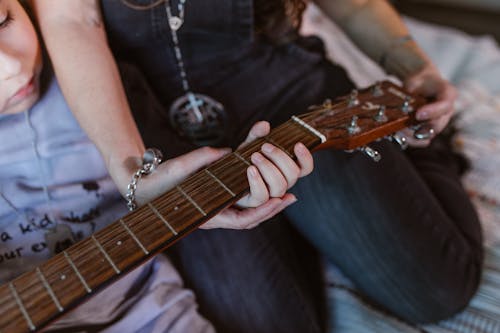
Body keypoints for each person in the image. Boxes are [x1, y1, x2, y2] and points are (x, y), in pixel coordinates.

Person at [31, 0, 483, 330]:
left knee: (439, 290)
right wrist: (132, 172)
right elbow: (73, 19)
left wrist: (412, 68)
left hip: (290, 103)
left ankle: (427, 152)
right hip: (158, 134)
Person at [0, 1, 324, 332]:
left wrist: (228, 185)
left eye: (3, 22)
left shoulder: (88, 78)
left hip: (160, 313)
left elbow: (160, 172)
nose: (10, 66)